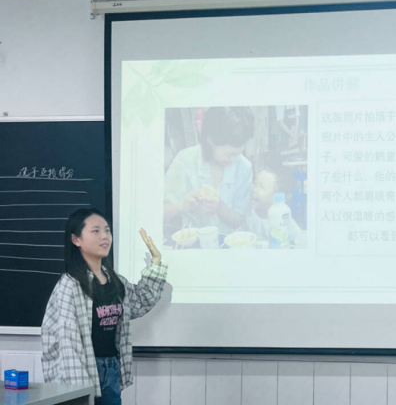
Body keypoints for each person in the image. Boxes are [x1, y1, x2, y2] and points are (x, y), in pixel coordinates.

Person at [41, 208, 167, 405]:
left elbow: (140, 301)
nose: (104, 236)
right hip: (84, 370)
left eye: (107, 230)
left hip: (111, 367)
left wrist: (156, 263)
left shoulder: (115, 281)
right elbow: (68, 343)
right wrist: (78, 390)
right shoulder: (70, 284)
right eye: (96, 231)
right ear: (76, 239)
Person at [164, 106, 255, 236]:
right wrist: (181, 206)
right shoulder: (185, 160)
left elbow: (239, 221)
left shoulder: (244, 167)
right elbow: (158, 211)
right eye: (229, 154)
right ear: (211, 139)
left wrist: (219, 207)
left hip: (231, 242)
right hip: (194, 243)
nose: (233, 160)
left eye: (238, 154)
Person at [246, 164, 302, 245]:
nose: (254, 189)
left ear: (275, 197)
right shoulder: (247, 216)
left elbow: (299, 239)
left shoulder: (283, 218)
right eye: (255, 183)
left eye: (261, 187)